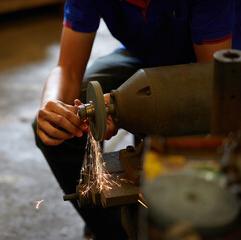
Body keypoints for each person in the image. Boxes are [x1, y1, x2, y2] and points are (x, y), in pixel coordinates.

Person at [32, 0, 241, 239]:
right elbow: (67, 69)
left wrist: (128, 107)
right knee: (56, 130)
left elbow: (208, 87)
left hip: (215, 65)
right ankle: (113, 229)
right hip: (144, 56)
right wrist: (51, 105)